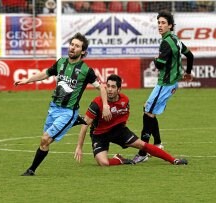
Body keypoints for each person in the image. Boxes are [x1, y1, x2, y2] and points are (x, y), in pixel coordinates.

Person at [14, 32, 112, 176]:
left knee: (45, 139)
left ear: (83, 51)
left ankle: (31, 170)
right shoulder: (61, 63)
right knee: (44, 143)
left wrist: (105, 106)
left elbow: (101, 87)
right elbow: (46, 73)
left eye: (77, 46)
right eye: (72, 44)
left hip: (67, 111)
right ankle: (32, 170)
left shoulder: (86, 70)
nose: (72, 48)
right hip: (53, 108)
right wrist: (27, 80)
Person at [74, 74, 188, 166]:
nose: (109, 89)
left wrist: (122, 131)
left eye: (113, 87)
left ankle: (173, 160)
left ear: (119, 89)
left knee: (142, 145)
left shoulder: (125, 101)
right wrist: (79, 147)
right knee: (103, 163)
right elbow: (84, 125)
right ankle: (120, 160)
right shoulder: (97, 103)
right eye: (107, 86)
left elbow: (123, 118)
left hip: (118, 131)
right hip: (99, 134)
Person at [133, 10, 194, 164]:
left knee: (148, 113)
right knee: (149, 111)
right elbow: (190, 55)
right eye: (158, 23)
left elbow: (161, 64)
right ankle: (158, 143)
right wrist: (187, 72)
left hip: (165, 84)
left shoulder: (166, 42)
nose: (160, 26)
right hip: (171, 83)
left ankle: (143, 152)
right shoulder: (175, 39)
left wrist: (155, 60)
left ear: (170, 25)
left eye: (163, 23)